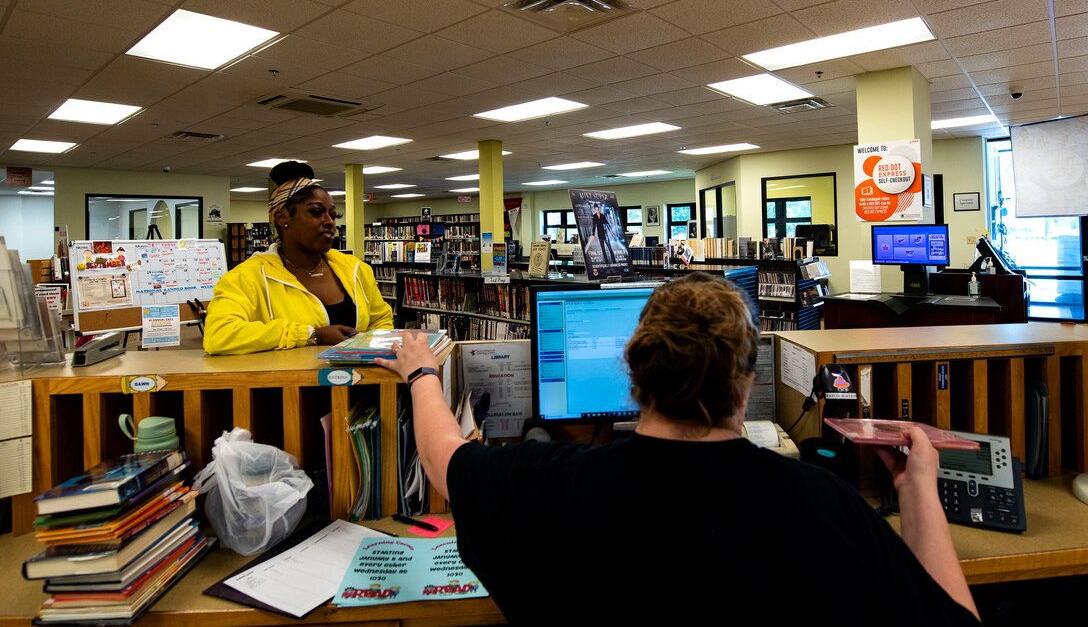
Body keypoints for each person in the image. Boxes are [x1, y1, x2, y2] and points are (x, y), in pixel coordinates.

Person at [376, 272, 979, 625]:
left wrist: (423, 374)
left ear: (635, 372)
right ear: (748, 380)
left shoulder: (546, 482)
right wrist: (917, 487)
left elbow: (442, 455)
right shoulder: (824, 505)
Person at [204, 161, 392, 355]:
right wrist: (311, 335)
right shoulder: (247, 277)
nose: (330, 222)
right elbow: (218, 335)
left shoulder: (355, 269)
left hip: (361, 381)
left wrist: (372, 349)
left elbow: (381, 319)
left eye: (334, 215)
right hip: (291, 383)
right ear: (282, 217)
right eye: (317, 212)